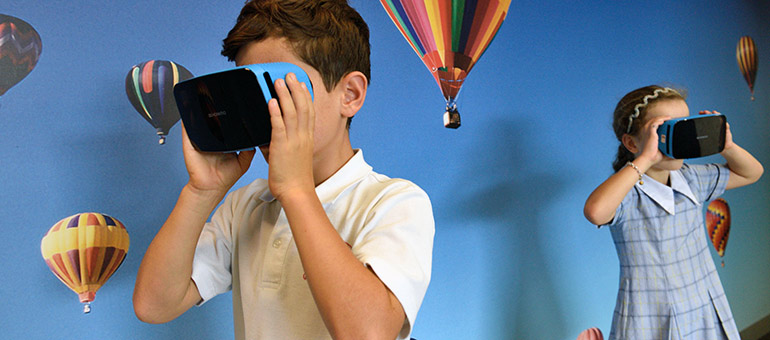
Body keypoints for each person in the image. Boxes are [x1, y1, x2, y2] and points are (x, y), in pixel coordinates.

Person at [132, 1, 435, 339]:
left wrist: (296, 191)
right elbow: (154, 305)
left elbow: (368, 333)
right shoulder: (246, 207)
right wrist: (201, 192)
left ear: (349, 94)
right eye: (249, 94)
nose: (263, 111)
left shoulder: (393, 202)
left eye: (279, 89)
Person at [583, 85, 763, 340]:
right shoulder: (628, 193)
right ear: (631, 142)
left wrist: (726, 145)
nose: (678, 137)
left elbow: (751, 173)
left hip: (701, 302)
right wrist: (645, 159)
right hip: (651, 313)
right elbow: (595, 212)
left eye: (684, 126)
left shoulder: (691, 179)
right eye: (664, 129)